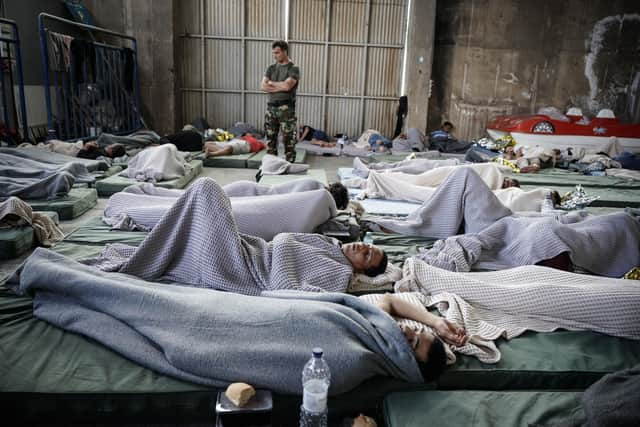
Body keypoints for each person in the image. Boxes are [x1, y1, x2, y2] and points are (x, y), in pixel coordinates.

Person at [92, 177, 388, 295]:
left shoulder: (337, 276)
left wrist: (282, 244)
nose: (362, 246)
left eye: (367, 254)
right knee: (207, 194)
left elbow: (283, 288)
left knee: (207, 192)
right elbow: (283, 238)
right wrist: (281, 242)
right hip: (247, 247)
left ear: (361, 269)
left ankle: (147, 254)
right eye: (368, 247)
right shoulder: (329, 244)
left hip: (240, 270)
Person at [369, 292, 466, 380]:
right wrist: (436, 321)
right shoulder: (379, 325)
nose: (407, 328)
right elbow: (388, 299)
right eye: (416, 330)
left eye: (411, 341)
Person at [261, 40, 299, 162]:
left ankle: (289, 164)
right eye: (273, 53)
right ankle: (271, 164)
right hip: (271, 108)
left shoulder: (293, 69)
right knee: (270, 139)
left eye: (277, 53)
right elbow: (263, 86)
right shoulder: (271, 68)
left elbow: (287, 87)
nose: (275, 55)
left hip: (286, 109)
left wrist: (271, 84)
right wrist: (279, 86)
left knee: (288, 140)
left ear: (285, 52)